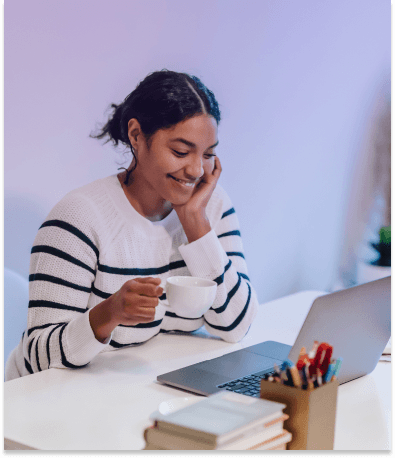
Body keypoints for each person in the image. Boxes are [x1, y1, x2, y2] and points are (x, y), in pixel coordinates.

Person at [5, 70, 259, 381]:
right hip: (46, 403)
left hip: (136, 390)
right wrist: (107, 315)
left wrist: (197, 226)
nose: (195, 170)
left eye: (208, 154)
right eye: (181, 151)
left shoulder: (211, 207)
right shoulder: (79, 218)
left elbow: (238, 327)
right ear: (136, 136)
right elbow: (37, 359)